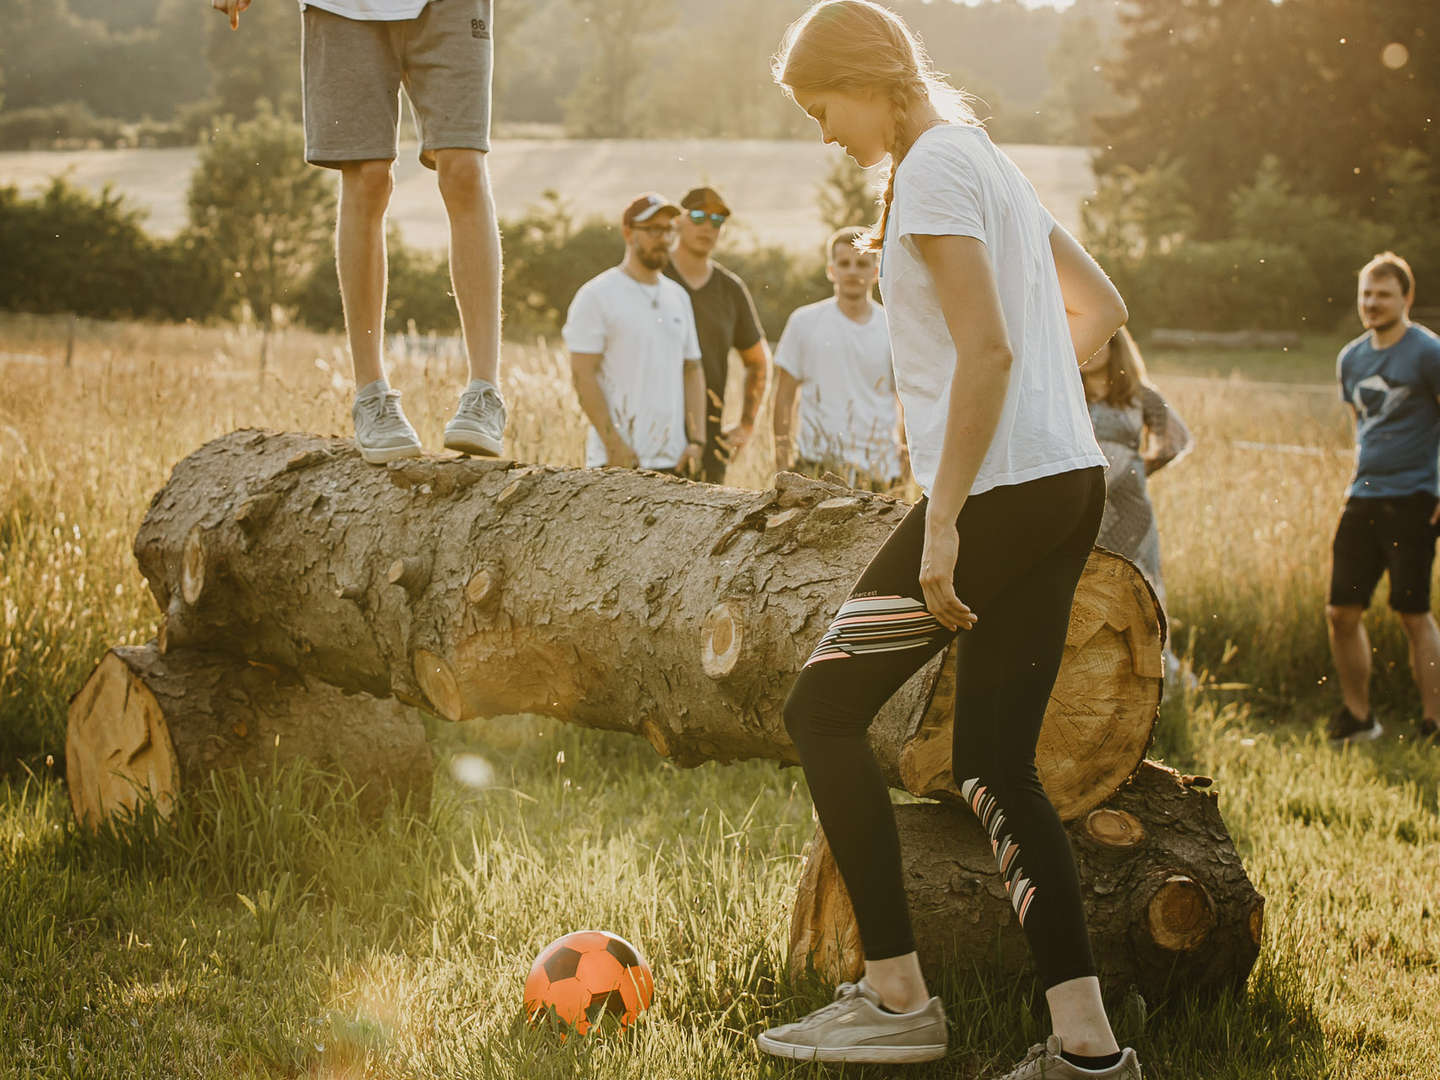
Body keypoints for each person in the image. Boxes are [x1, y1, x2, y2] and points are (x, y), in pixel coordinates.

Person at [760, 3, 1141, 1077]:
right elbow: (1102, 306)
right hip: (1066, 480)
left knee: (822, 710)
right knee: (994, 766)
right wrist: (1021, 417)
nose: (824, 133)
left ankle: (894, 997)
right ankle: (1084, 1046)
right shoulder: (988, 161)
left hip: (1001, 497)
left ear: (868, 77)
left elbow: (986, 353)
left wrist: (942, 519)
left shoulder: (931, 168)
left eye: (819, 106)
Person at [211, 0, 507, 465]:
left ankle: (485, 391)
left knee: (464, 168)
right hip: (344, 8)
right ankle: (371, 393)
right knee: (368, 175)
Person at [1326, 252, 1440, 745]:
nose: (1372, 303)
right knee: (1341, 613)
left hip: (1416, 497)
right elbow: (1361, 425)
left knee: (1413, 614)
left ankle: (1434, 723)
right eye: (1366, 294)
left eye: (1384, 294)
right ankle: (1359, 717)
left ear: (1407, 298)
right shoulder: (1351, 358)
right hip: (1363, 497)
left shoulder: (1427, 353)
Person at [563, 194, 706, 477]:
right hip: (616, 461)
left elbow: (692, 370)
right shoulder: (596, 295)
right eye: (653, 229)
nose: (664, 238)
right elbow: (582, 375)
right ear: (629, 233)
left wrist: (697, 440)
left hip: (675, 461)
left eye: (669, 230)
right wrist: (614, 444)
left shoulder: (678, 297)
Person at [1082, 327, 1192, 682]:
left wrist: (1136, 469)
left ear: (1116, 346)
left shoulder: (1138, 395)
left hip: (1130, 512)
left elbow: (1176, 440)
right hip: (1079, 511)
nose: (1089, 348)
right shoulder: (1065, 392)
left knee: (1143, 591)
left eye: (1099, 340)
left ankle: (1157, 679)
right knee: (1087, 592)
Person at [773, 225, 905, 491]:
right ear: (831, 270)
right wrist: (781, 458)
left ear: (875, 270)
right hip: (816, 465)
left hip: (878, 469)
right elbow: (784, 396)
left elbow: (907, 400)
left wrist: (908, 456)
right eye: (844, 263)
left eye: (861, 263)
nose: (853, 271)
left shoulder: (895, 327)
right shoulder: (803, 322)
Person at [662, 187, 770, 483]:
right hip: (650, 439)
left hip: (709, 445)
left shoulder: (730, 290)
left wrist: (746, 425)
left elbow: (758, 362)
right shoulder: (654, 277)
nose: (707, 226)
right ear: (677, 221)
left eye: (717, 220)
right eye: (697, 216)